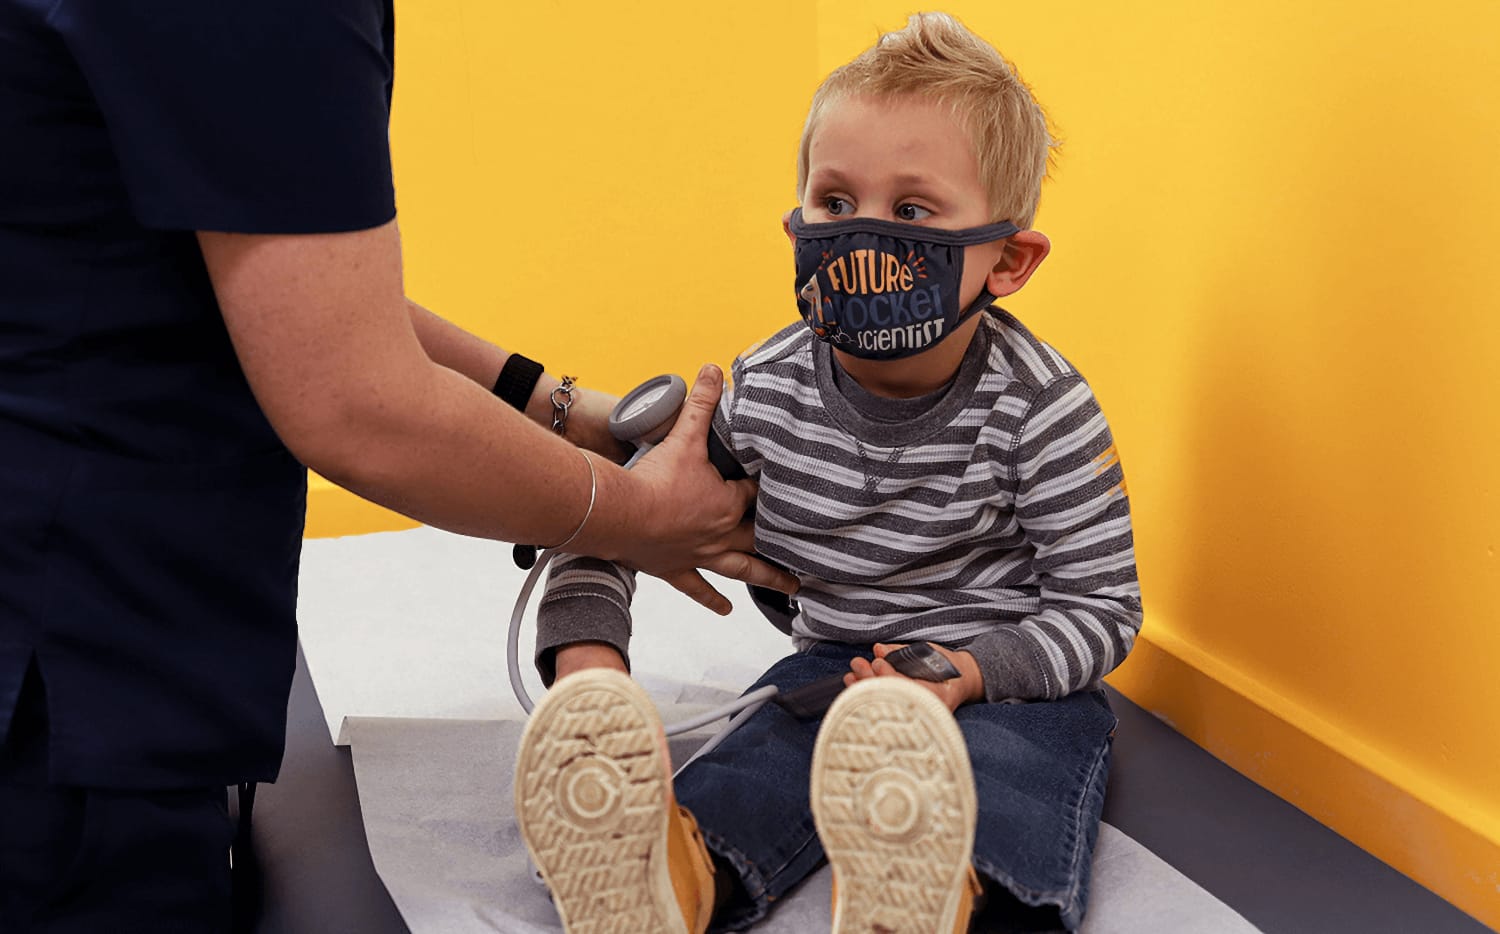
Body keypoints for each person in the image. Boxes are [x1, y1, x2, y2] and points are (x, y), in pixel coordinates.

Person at [0, 1, 794, 931]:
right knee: (756, 764)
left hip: (93, 605)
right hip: (71, 658)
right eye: (830, 199)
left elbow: (275, 276)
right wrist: (631, 520)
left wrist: (564, 415)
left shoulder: (1011, 406)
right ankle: (641, 805)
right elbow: (357, 401)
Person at [514, 12, 1142, 933]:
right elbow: (615, 520)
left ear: (1008, 259)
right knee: (757, 762)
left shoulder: (1043, 409)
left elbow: (1102, 612)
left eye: (914, 212)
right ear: (797, 218)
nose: (862, 240)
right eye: (836, 204)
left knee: (1013, 772)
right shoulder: (760, 390)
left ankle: (950, 898)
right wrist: (589, 671)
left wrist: (968, 671)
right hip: (835, 667)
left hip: (1003, 675)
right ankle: (669, 875)